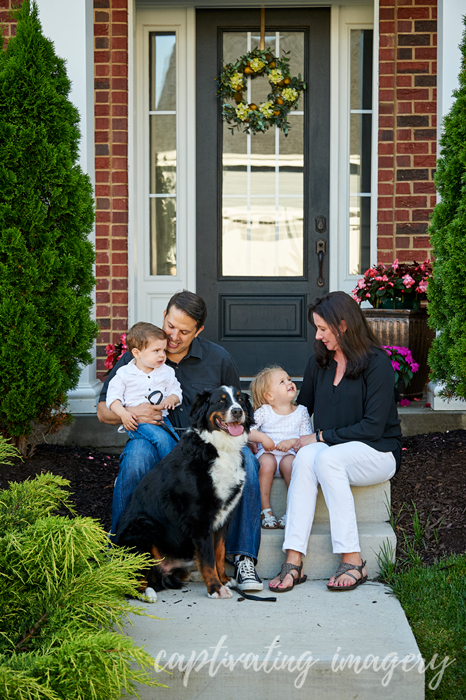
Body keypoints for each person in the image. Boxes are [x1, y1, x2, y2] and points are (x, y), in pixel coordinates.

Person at [97, 290, 263, 592]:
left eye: (184, 331)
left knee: (249, 465)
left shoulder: (218, 359)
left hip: (205, 445)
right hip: (153, 436)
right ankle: (119, 555)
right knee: (135, 460)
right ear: (164, 316)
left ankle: (244, 559)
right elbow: (102, 410)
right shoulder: (137, 353)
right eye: (170, 325)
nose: (173, 336)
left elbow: (234, 409)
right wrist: (130, 412)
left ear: (198, 331)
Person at [268, 291, 402, 593]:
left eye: (323, 329)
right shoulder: (320, 362)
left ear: (342, 325)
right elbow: (303, 408)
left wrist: (318, 437)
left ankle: (353, 559)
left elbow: (372, 428)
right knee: (305, 458)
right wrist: (269, 427)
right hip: (332, 451)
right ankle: (294, 559)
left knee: (323, 455)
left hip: (377, 451)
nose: (318, 335)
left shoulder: (377, 363)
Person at [248, 366, 312, 530]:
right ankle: (265, 511)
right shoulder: (265, 411)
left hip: (290, 454)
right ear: (269, 396)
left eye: (289, 379)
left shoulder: (301, 411)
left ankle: (291, 510)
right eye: (282, 382)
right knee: (266, 463)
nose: (289, 383)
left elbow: (307, 437)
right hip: (267, 453)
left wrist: (292, 441)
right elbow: (248, 430)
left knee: (290, 464)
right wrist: (262, 437)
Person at [106, 322, 182, 440]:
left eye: (164, 350)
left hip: (161, 419)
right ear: (137, 353)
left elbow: (176, 391)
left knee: (174, 440)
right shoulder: (124, 374)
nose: (162, 355)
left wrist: (172, 398)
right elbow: (113, 399)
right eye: (156, 350)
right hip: (136, 422)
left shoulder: (167, 372)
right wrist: (123, 414)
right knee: (163, 440)